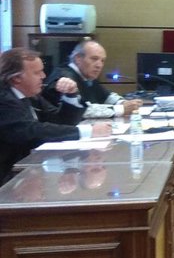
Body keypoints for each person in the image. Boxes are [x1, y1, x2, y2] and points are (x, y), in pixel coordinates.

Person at [0, 48, 111, 182]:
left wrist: (70, 95)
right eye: (37, 72)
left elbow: (59, 122)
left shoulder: (31, 95)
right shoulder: (4, 99)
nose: (43, 76)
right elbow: (31, 131)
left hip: (24, 170)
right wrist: (88, 131)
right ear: (17, 78)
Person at [42, 40, 142, 119]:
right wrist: (121, 109)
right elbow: (82, 110)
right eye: (94, 59)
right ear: (78, 58)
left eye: (102, 61)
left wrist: (123, 103)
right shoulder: (65, 77)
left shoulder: (86, 76)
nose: (99, 65)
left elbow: (106, 96)